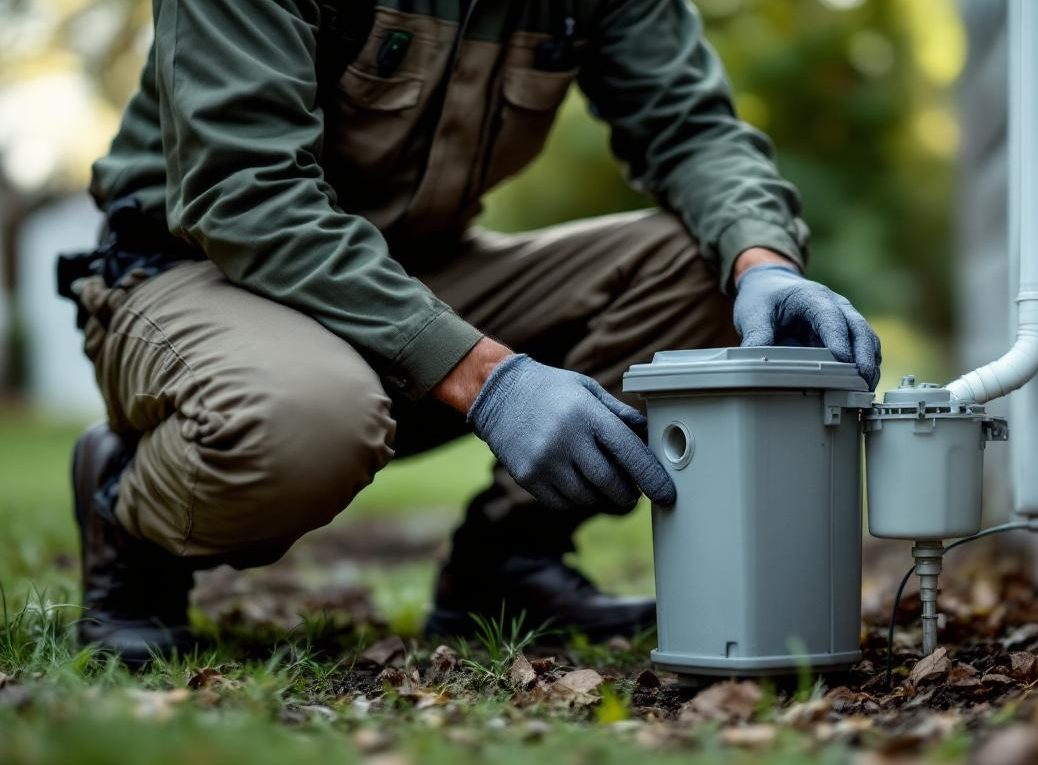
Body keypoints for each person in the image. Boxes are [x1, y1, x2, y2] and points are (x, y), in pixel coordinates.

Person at [60, 0, 881, 665]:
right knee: (300, 422)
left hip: (415, 269)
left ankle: (505, 565)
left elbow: (692, 128)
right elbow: (242, 189)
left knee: (703, 259)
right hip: (194, 268)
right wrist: (488, 377)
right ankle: (130, 522)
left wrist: (763, 264)